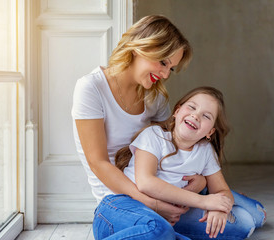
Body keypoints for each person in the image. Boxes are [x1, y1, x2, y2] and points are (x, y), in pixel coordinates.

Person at [72, 15, 197, 239]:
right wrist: (151, 203)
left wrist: (203, 180)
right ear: (141, 48)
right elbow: (98, 163)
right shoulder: (91, 87)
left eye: (172, 68)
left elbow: (173, 148)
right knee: (158, 231)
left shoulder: (154, 96)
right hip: (117, 202)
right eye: (163, 62)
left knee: (242, 221)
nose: (166, 74)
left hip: (158, 187)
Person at [115, 86, 266, 239]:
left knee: (257, 216)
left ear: (210, 132)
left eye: (206, 116)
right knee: (245, 224)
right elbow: (146, 183)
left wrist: (218, 209)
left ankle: (220, 197)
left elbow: (221, 190)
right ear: (177, 111)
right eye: (192, 107)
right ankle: (213, 196)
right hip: (149, 209)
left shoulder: (205, 149)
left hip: (186, 201)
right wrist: (205, 202)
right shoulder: (154, 136)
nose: (195, 116)